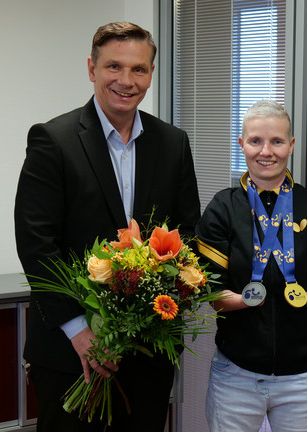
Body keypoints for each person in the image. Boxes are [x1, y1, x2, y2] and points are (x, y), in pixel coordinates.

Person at [14, 22, 200, 431]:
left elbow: (187, 236)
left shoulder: (173, 143)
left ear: (151, 73)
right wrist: (82, 333)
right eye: (114, 66)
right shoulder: (53, 140)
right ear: (91, 68)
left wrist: (158, 310)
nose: (126, 81)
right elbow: (37, 245)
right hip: (71, 355)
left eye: (139, 69)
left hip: (147, 355)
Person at [195, 100, 307, 432]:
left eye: (277, 141)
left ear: (291, 145)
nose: (266, 151)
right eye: (255, 141)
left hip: (304, 378)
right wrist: (241, 301)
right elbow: (206, 287)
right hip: (236, 374)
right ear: (242, 144)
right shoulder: (223, 207)